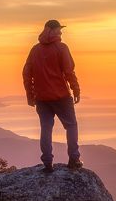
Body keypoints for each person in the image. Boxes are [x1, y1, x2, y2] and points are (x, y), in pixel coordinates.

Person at [22, 19, 82, 172]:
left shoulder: (35, 50)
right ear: (51, 31)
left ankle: (47, 163)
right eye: (58, 30)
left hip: (42, 98)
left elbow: (26, 73)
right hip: (61, 96)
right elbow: (69, 71)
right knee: (71, 126)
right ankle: (74, 159)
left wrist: (30, 95)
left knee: (46, 128)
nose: (61, 32)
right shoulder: (61, 48)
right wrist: (76, 90)